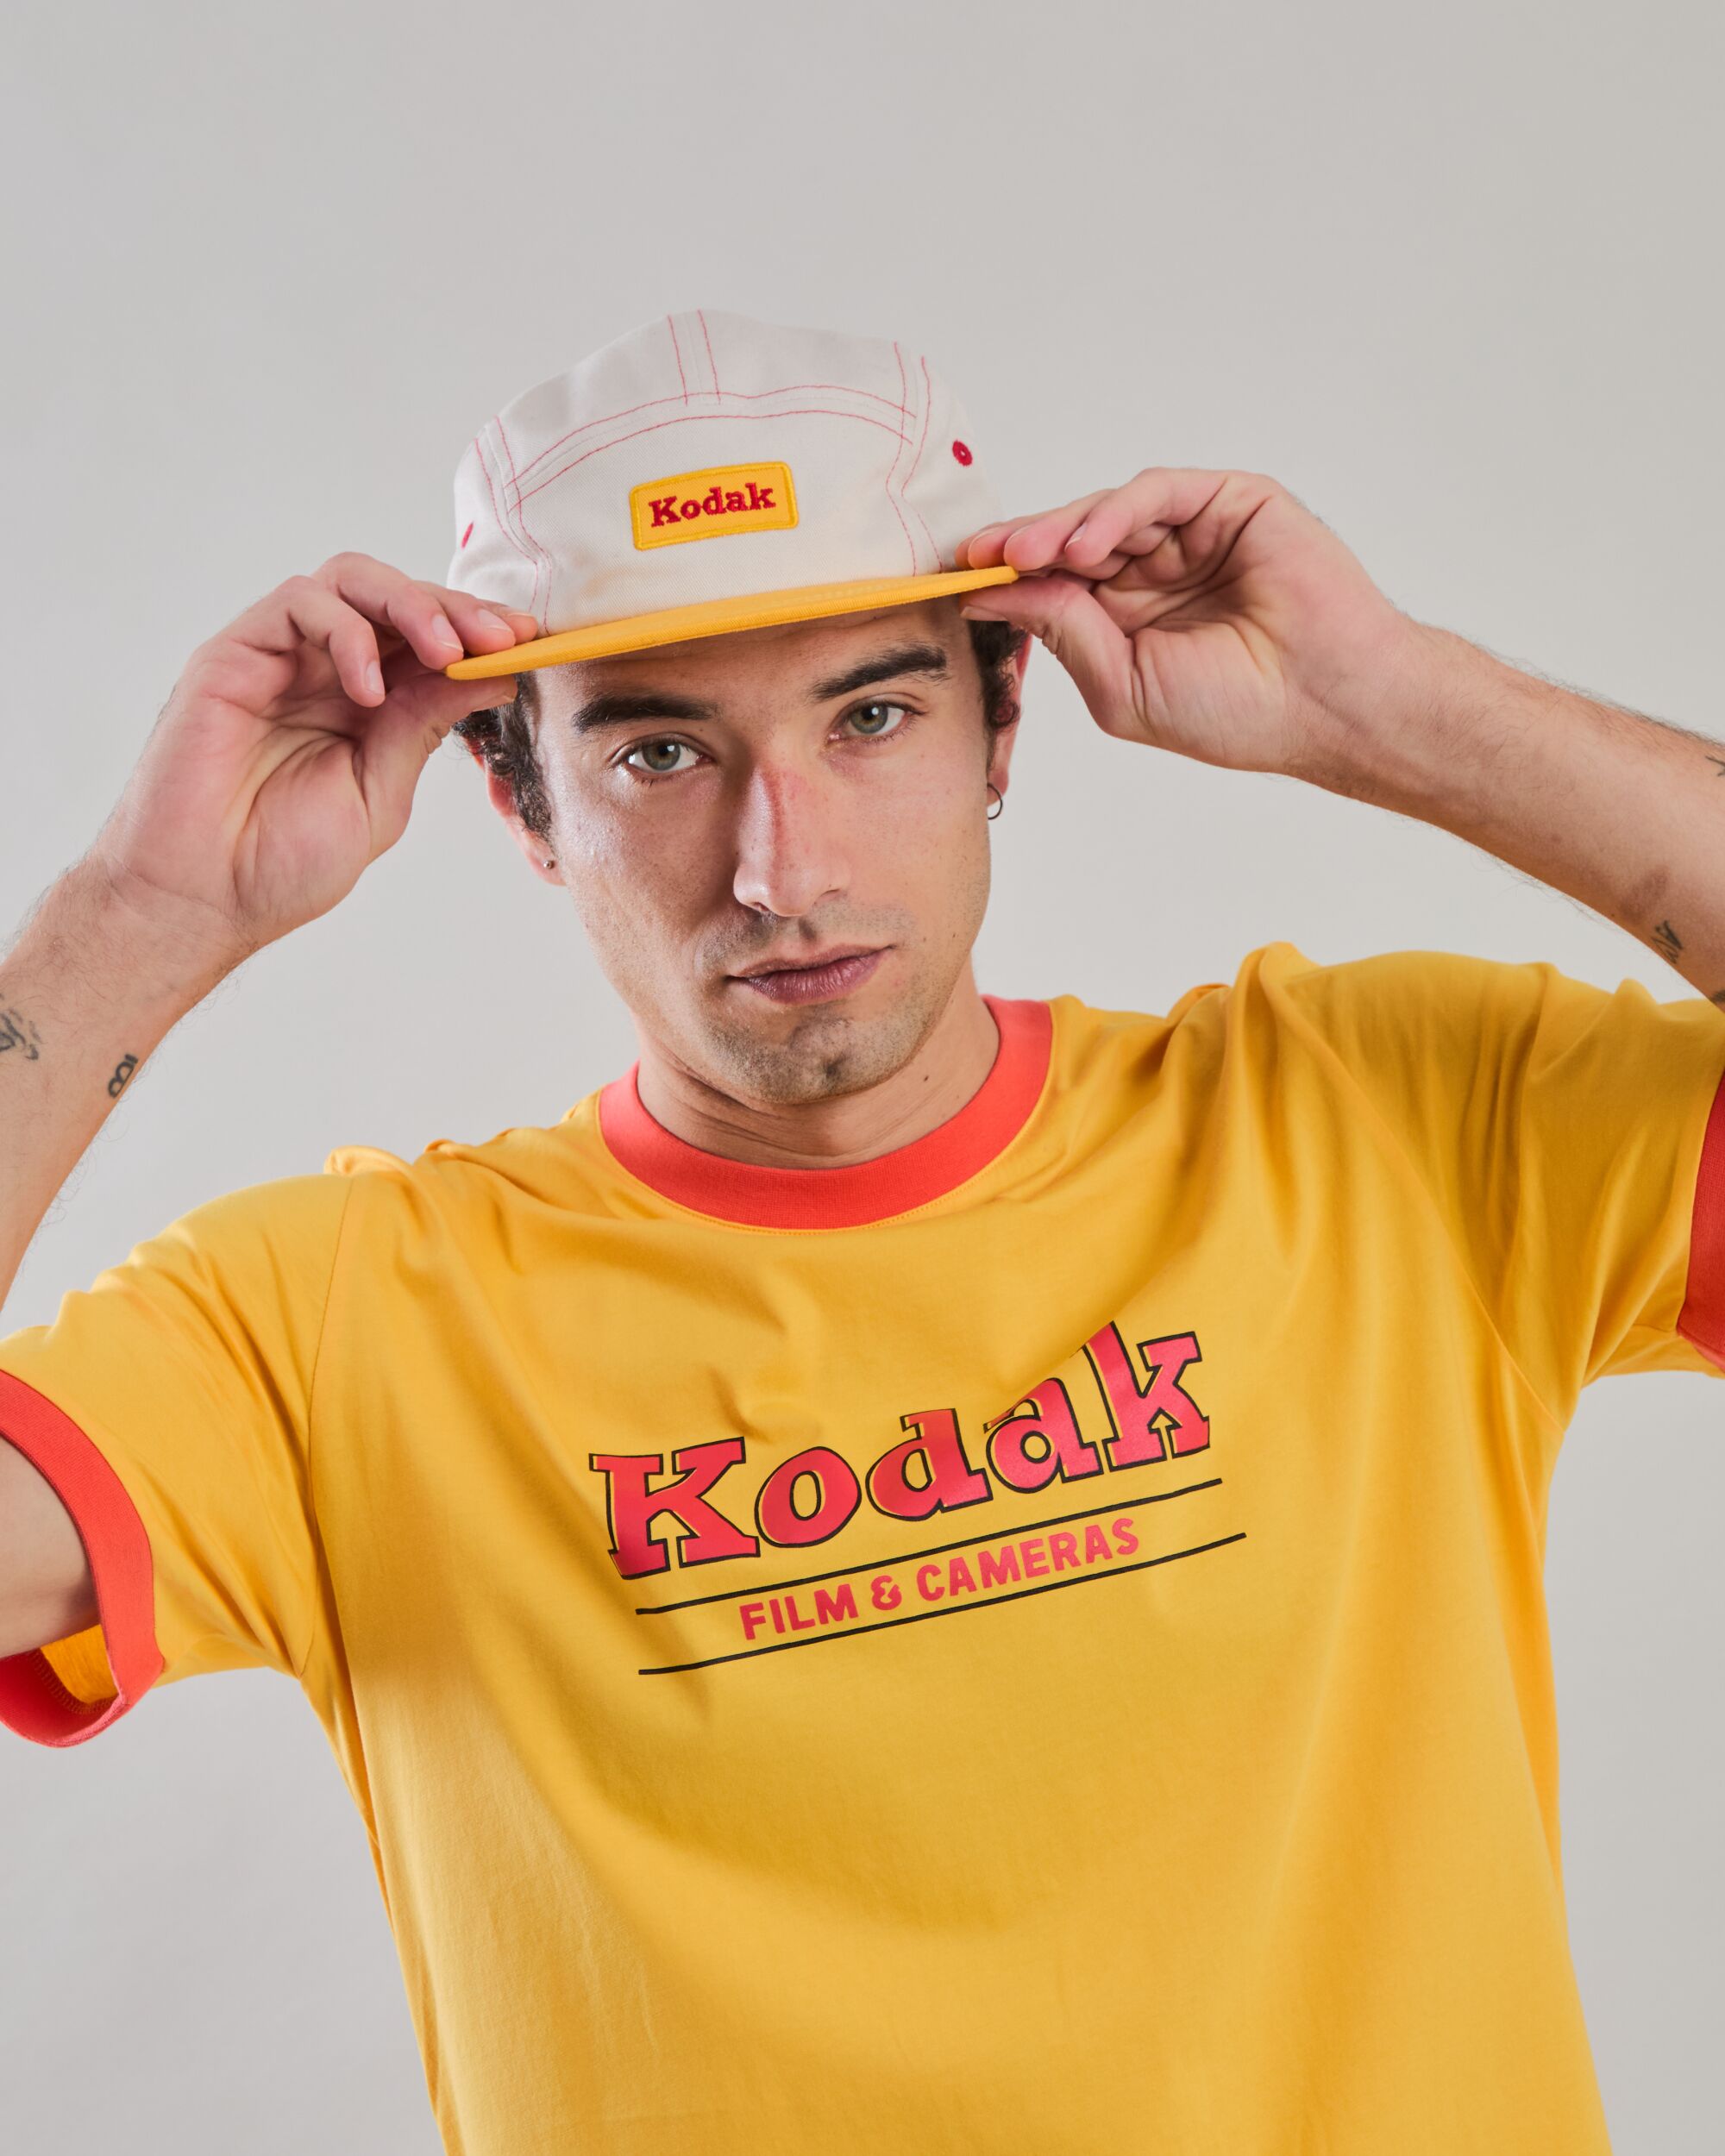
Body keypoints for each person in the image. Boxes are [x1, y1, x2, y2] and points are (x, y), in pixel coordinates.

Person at [0, 307, 1720, 2156]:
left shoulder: (1394, 1125)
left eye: (872, 715)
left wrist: (1400, 707)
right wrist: (141, 911)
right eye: (660, 755)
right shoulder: (334, 1322)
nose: (784, 866)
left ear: (1003, 723)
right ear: (519, 801)